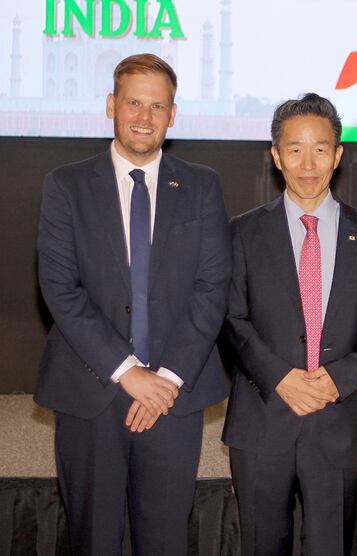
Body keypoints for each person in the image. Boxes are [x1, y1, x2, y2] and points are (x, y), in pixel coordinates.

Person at [35, 53, 232, 555]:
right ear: (110, 105)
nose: (144, 117)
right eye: (133, 103)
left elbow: (213, 288)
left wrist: (165, 379)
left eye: (157, 106)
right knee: (93, 541)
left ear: (172, 114)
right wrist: (128, 372)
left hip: (174, 397)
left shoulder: (203, 185)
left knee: (165, 540)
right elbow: (60, 289)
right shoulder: (66, 185)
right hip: (90, 392)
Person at [222, 93, 357, 556]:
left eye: (320, 149)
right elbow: (231, 317)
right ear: (276, 156)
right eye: (294, 149)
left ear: (338, 155)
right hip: (262, 418)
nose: (307, 163)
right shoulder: (240, 233)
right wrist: (281, 378)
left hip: (337, 422)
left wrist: (335, 381)